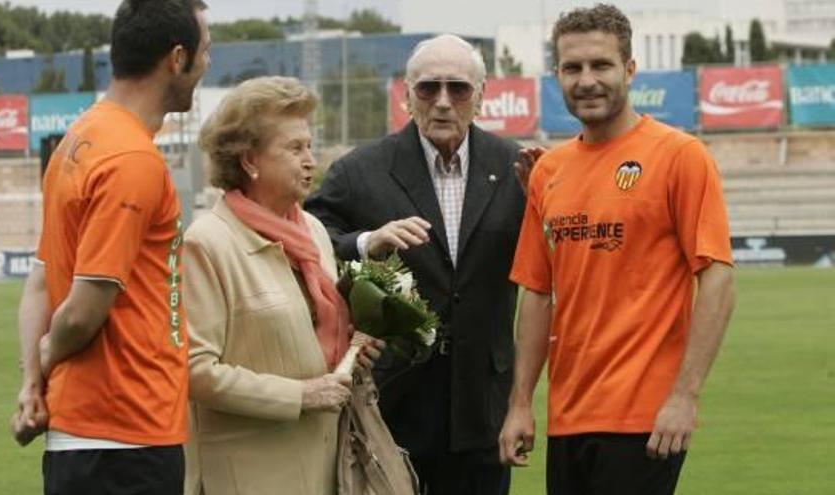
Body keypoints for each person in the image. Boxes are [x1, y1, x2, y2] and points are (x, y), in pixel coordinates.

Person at [498, 4, 736, 495]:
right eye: (572, 68)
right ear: (557, 75)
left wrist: (685, 396)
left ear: (629, 69)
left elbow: (717, 277)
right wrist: (520, 402)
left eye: (601, 65)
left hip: (645, 420)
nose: (587, 80)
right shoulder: (548, 171)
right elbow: (538, 294)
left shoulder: (679, 156)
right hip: (568, 418)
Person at [305, 34, 528, 494]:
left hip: (483, 407)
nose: (443, 102)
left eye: (458, 89)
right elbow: (308, 239)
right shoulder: (359, 170)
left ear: (481, 97)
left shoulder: (516, 168)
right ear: (406, 95)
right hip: (392, 404)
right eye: (428, 88)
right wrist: (367, 242)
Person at [9, 0, 211, 493]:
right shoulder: (131, 159)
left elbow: (40, 279)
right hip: (126, 438)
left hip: (91, 440)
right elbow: (81, 311)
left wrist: (32, 381)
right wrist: (47, 351)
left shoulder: (78, 139)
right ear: (177, 57)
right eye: (205, 52)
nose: (207, 65)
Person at [182, 76, 382, 495]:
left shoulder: (311, 229)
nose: (311, 160)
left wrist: (353, 350)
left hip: (329, 467)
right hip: (250, 476)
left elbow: (314, 339)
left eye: (310, 145)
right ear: (250, 160)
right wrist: (301, 395)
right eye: (295, 148)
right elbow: (196, 372)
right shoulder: (207, 242)